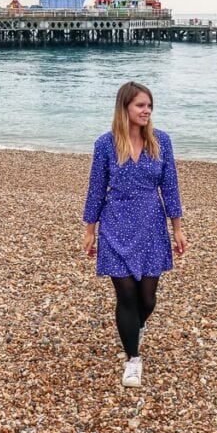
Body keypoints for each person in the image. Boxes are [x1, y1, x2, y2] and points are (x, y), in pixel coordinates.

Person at [82, 81, 186, 387]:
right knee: (126, 294)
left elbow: (171, 187)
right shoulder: (105, 144)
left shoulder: (161, 141)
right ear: (125, 107)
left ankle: (136, 326)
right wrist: (90, 230)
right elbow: (95, 189)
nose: (147, 110)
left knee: (148, 298)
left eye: (149, 105)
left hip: (152, 224)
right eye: (140, 105)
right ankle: (132, 360)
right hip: (115, 222)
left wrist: (177, 228)